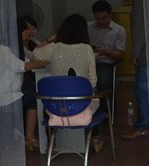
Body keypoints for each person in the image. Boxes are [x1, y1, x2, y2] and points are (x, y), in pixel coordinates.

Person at [33, 14, 100, 148]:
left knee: (48, 100)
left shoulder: (53, 48)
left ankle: (52, 141)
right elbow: (92, 81)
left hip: (56, 107)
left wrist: (50, 39)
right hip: (81, 105)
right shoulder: (87, 49)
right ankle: (94, 138)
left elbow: (35, 52)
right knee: (95, 94)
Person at [117, 0, 149, 139]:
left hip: (144, 54)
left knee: (142, 92)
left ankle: (142, 127)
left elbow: (139, 30)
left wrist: (134, 53)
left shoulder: (140, 0)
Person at [87, 0, 126, 113]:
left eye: (104, 18)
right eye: (97, 18)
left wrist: (107, 52)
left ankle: (106, 111)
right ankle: (83, 109)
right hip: (87, 61)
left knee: (103, 80)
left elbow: (121, 54)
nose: (101, 21)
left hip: (105, 62)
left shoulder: (119, 30)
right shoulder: (88, 27)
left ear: (110, 15)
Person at [18, 16, 48, 151]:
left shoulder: (33, 43)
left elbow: (38, 57)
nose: (30, 32)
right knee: (34, 97)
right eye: (27, 29)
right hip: (21, 81)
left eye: (33, 28)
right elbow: (30, 62)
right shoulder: (15, 47)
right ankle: (30, 137)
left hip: (29, 77)